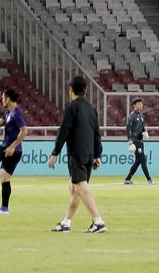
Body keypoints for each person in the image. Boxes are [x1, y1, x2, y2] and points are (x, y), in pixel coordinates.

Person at [46, 75, 106, 234]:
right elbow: (97, 134)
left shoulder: (72, 107)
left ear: (71, 89)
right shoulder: (91, 108)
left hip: (77, 153)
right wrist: (97, 155)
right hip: (89, 153)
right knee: (75, 188)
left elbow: (64, 131)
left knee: (80, 187)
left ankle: (98, 221)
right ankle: (66, 222)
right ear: (84, 90)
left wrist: (55, 153)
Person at [123, 98, 153, 185]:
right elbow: (128, 128)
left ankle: (127, 179)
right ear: (134, 106)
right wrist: (130, 140)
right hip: (135, 140)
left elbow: (142, 127)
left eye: (141, 104)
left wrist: (145, 132)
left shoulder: (141, 116)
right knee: (143, 159)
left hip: (140, 140)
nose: (141, 106)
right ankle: (149, 179)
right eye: (138, 104)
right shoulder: (132, 116)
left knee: (138, 161)